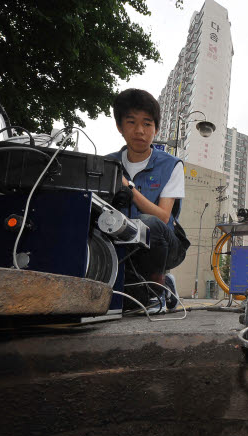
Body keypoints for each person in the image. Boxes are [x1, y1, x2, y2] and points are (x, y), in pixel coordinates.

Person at [106, 88, 188, 309]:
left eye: (147, 123)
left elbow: (162, 217)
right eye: (131, 122)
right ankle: (161, 286)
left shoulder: (172, 165)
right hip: (122, 246)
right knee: (127, 302)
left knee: (149, 221)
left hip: (165, 246)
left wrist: (128, 188)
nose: (140, 131)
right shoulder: (107, 164)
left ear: (156, 128)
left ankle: (157, 290)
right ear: (120, 127)